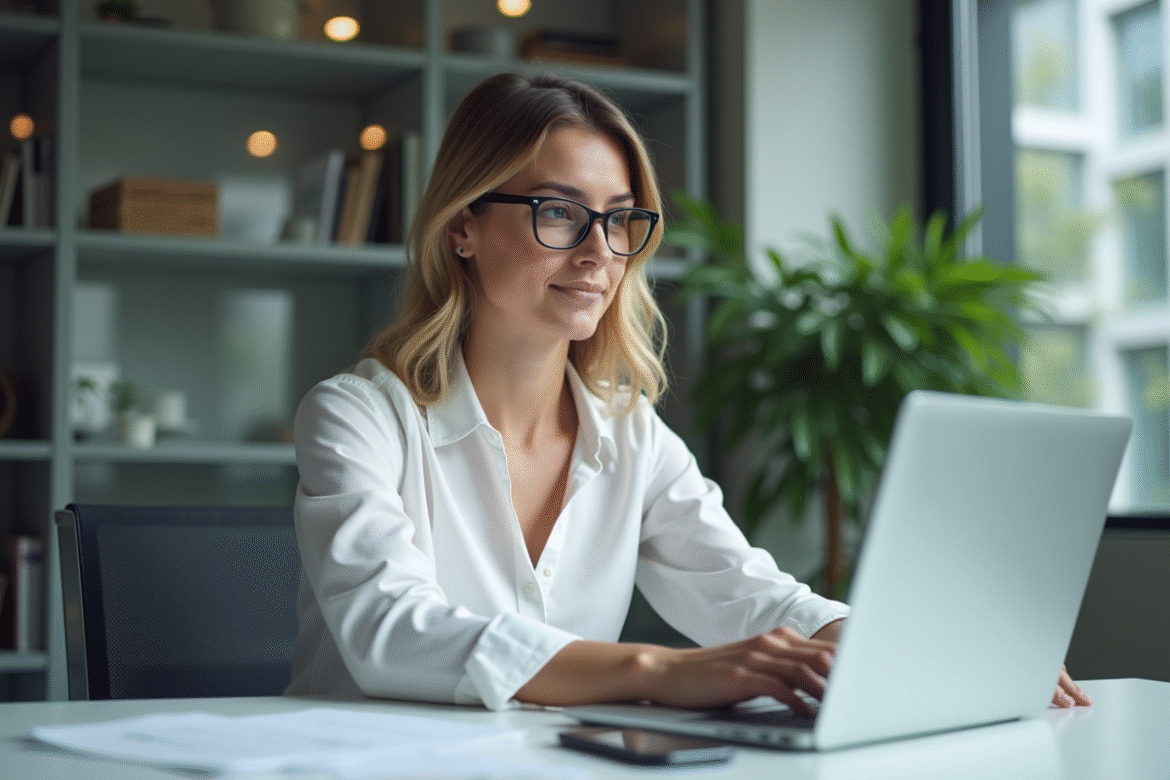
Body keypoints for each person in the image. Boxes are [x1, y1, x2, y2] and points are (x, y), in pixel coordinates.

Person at [287, 72, 1091, 713]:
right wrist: (659, 669)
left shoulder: (631, 436)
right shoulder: (360, 417)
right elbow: (389, 629)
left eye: (621, 219)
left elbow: (745, 593)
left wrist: (910, 648)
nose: (601, 252)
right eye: (559, 213)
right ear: (462, 225)